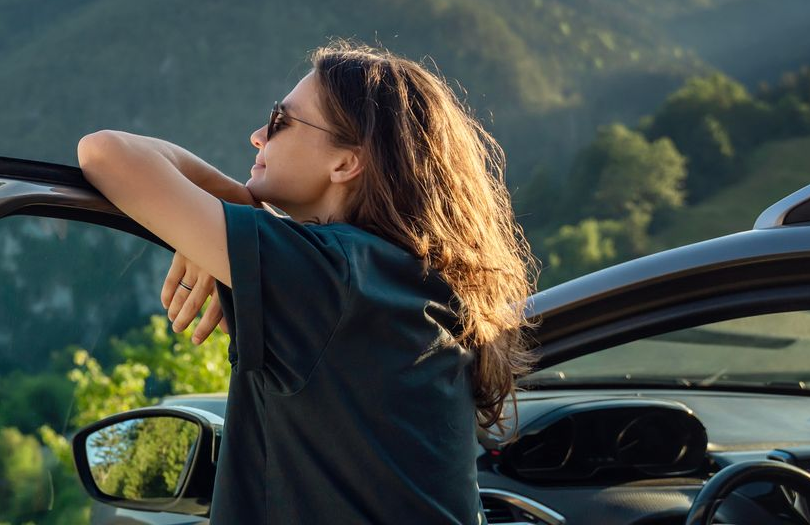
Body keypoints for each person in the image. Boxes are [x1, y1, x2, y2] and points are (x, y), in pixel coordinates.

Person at [76, 38, 538, 524]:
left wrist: (238, 211)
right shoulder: (407, 281)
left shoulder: (330, 276)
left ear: (345, 162)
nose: (258, 135)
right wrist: (235, 221)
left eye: (280, 122)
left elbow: (105, 154)